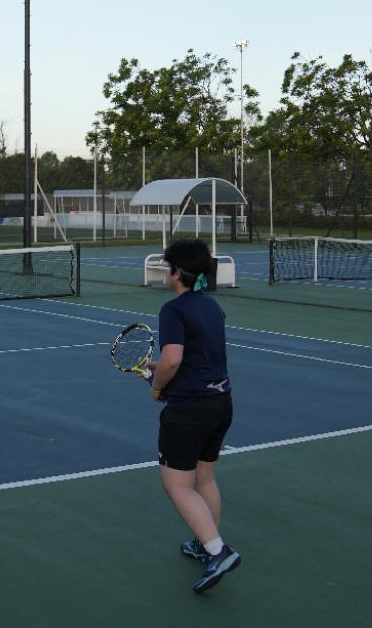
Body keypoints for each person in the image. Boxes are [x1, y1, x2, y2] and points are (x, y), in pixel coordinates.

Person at [147, 238, 240, 593]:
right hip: (221, 403)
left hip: (189, 411)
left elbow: (172, 359)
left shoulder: (173, 310)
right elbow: (194, 355)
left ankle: (218, 550)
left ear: (176, 272)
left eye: (167, 266)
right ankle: (206, 543)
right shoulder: (212, 306)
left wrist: (158, 387)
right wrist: (165, 372)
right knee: (204, 480)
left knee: (177, 486)